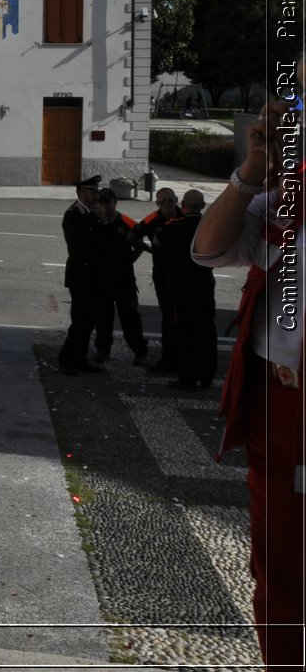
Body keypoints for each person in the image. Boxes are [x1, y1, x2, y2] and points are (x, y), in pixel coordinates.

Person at [193, 83, 304, 671]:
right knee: (279, 572)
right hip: (277, 411)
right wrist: (252, 167)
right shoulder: (287, 198)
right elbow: (207, 250)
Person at [157, 189, 216, 390]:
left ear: (182, 205)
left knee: (182, 329)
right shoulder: (210, 226)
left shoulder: (173, 226)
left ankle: (187, 376)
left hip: (180, 283)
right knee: (206, 329)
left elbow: (158, 241)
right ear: (203, 206)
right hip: (204, 281)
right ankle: (207, 374)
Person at [90, 187, 149, 365]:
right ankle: (103, 350)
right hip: (101, 278)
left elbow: (140, 246)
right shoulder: (95, 222)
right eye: (100, 202)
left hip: (123, 278)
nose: (104, 206)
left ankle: (140, 351)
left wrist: (128, 261)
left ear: (115, 203)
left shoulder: (127, 222)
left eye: (107, 202)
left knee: (129, 316)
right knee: (102, 317)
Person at [134, 188, 185, 373]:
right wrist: (150, 250)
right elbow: (132, 235)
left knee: (184, 317)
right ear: (157, 203)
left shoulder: (184, 216)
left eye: (170, 200)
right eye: (162, 201)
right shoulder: (152, 219)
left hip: (183, 274)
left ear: (176, 200)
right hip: (163, 275)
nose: (166, 204)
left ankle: (182, 358)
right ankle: (168, 359)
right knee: (168, 317)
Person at [59, 175, 105, 375]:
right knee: (80, 320)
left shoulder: (91, 214)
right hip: (81, 274)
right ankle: (67, 359)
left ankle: (80, 358)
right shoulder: (74, 214)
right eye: (92, 191)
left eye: (97, 191)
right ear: (81, 193)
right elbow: (81, 244)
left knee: (89, 321)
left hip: (93, 274)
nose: (96, 195)